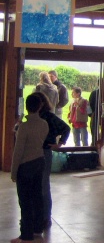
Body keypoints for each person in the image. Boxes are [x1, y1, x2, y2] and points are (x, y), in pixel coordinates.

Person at [10, 94, 49, 243]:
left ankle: (26, 235)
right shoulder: (44, 124)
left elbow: (18, 151)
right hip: (39, 161)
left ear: (26, 106)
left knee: (25, 201)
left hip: (25, 165)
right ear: (40, 107)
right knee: (37, 197)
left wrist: (14, 171)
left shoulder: (24, 126)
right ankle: (37, 229)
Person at [33, 91, 70, 230]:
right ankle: (37, 215)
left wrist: (60, 144)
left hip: (45, 151)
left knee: (43, 185)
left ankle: (46, 217)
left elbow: (66, 128)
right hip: (34, 152)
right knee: (36, 185)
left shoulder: (49, 117)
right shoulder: (33, 117)